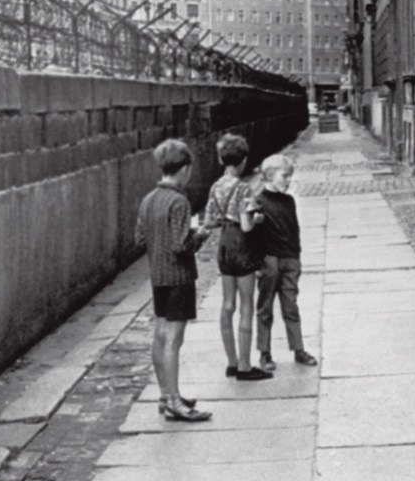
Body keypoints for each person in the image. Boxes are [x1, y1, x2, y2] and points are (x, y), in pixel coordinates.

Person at [135, 138, 212, 421]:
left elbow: (139, 238)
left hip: (158, 276)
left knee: (160, 334)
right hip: (178, 277)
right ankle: (175, 400)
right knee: (174, 340)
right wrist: (200, 235)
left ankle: (165, 394)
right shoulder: (179, 201)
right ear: (184, 169)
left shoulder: (148, 199)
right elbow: (182, 246)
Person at [202, 134, 273, 381]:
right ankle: (244, 366)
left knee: (227, 304)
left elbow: (209, 221)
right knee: (246, 305)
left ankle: (231, 362)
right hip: (242, 246)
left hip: (224, 245)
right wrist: (257, 218)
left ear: (222, 159)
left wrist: (224, 218)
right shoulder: (243, 188)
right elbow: (246, 226)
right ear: (242, 160)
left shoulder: (215, 186)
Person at [252, 153, 318, 370]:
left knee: (291, 306)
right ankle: (265, 352)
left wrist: (296, 257)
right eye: (284, 176)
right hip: (269, 260)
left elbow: (294, 229)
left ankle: (298, 349)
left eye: (290, 176)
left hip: (289, 259)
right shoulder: (258, 202)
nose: (288, 180)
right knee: (265, 307)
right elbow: (253, 236)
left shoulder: (289, 201)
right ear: (270, 175)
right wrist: (258, 264)